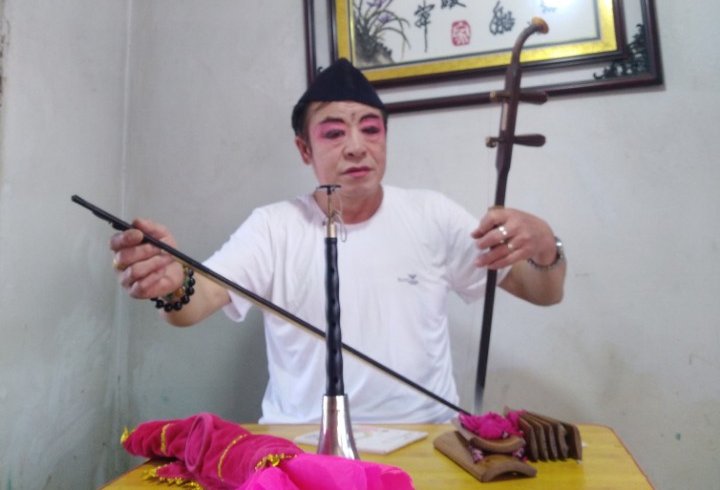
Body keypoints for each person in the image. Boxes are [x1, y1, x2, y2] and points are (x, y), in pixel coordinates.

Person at [110, 59, 566, 423]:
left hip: (423, 438)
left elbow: (542, 291)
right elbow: (194, 303)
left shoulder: (433, 215)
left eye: (371, 129)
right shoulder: (273, 227)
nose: (356, 146)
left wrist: (546, 246)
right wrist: (172, 282)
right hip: (303, 445)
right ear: (304, 149)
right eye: (333, 133)